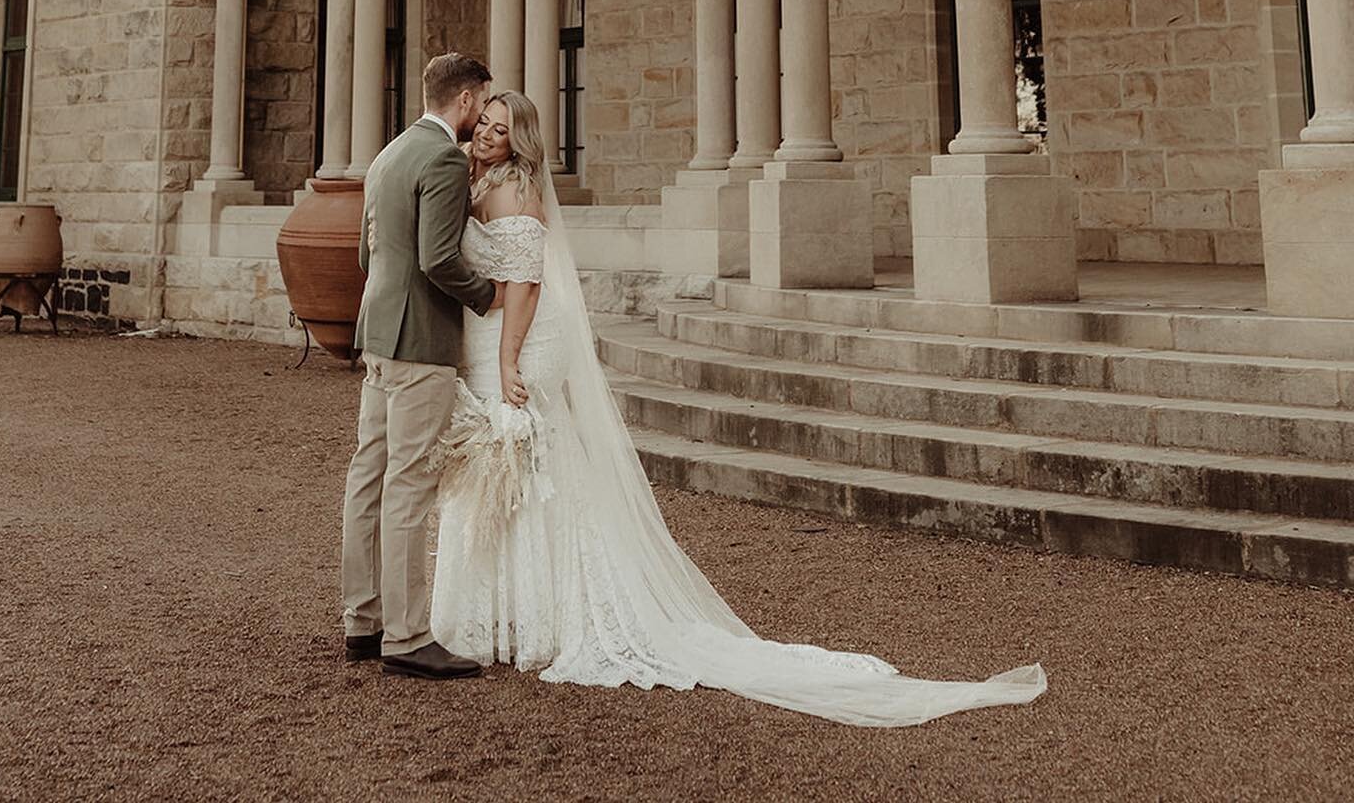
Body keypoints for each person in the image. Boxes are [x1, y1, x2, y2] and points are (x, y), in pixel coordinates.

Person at [429, 91, 1048, 728]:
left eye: (501, 131)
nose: (486, 137)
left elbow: (523, 288)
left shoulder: (514, 193)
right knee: (510, 467)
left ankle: (542, 614)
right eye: (485, 126)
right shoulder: (476, 180)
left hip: (521, 339)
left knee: (530, 461)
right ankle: (505, 609)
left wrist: (507, 362)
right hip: (491, 336)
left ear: (519, 139)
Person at [339, 51, 498, 680]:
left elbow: (364, 253)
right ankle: (406, 636)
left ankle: (362, 620)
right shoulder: (441, 160)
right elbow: (438, 259)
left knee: (368, 478)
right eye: (482, 102)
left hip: (378, 336)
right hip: (419, 342)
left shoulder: (387, 153)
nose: (484, 114)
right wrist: (489, 295)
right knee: (408, 484)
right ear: (464, 100)